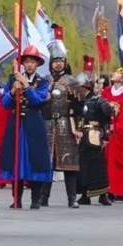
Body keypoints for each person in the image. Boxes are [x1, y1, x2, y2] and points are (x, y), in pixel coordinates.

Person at [0, 46, 53, 209]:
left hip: (34, 122)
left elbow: (38, 100)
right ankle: (17, 198)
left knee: (35, 159)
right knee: (16, 159)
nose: (29, 65)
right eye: (27, 61)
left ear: (37, 64)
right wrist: (13, 91)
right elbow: (4, 104)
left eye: (33, 62)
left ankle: (36, 199)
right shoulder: (12, 79)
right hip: (16, 123)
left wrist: (26, 86)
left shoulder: (43, 82)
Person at [40, 45, 81, 207]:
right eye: (55, 61)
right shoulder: (44, 80)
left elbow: (80, 106)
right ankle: (43, 197)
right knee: (47, 163)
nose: (58, 64)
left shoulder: (72, 81)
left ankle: (72, 198)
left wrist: (78, 126)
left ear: (65, 63)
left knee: (69, 164)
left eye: (61, 61)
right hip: (48, 124)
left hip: (66, 124)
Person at [72, 73, 112, 206]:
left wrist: (105, 137)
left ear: (86, 88)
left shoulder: (98, 101)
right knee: (84, 167)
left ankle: (103, 195)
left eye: (81, 88)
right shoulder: (78, 102)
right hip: (82, 137)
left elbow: (107, 119)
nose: (79, 91)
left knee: (98, 166)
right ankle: (85, 195)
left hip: (95, 135)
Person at [104, 66, 123, 201]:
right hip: (108, 132)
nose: (113, 74)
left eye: (117, 73)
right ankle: (108, 189)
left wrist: (119, 127)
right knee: (107, 161)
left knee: (119, 162)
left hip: (120, 133)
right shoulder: (106, 91)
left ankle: (119, 190)